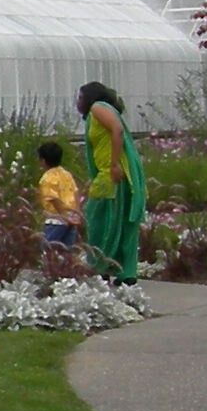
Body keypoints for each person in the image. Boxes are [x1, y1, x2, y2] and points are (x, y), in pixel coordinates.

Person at [76, 81, 146, 282]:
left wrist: (114, 164)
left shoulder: (98, 107)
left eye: (80, 97)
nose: (78, 102)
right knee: (112, 218)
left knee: (96, 217)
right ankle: (120, 270)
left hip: (111, 174)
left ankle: (100, 267)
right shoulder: (94, 115)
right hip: (106, 173)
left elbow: (117, 130)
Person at [35, 140, 81, 250]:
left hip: (56, 219)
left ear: (43, 161)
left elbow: (53, 199)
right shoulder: (66, 174)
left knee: (48, 249)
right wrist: (77, 213)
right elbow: (75, 192)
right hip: (72, 217)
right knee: (66, 252)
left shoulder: (47, 178)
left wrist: (64, 216)